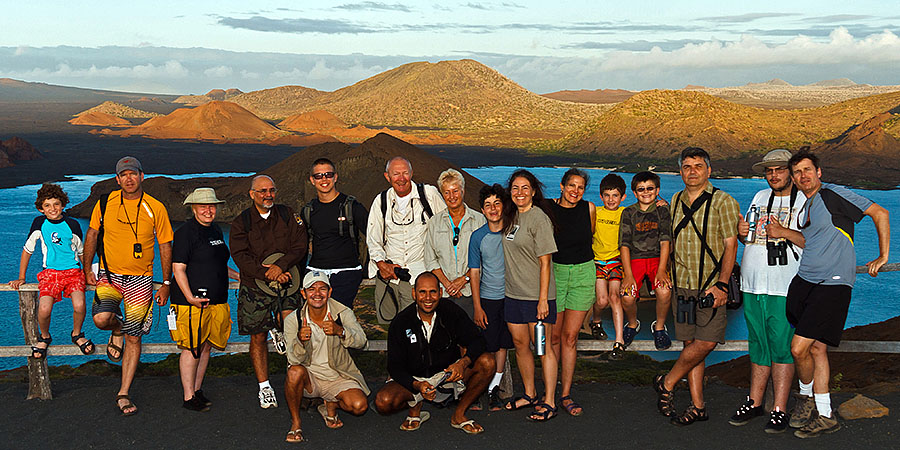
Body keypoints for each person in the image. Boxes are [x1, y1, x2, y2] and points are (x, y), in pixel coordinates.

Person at [786, 151, 890, 438]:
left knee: (798, 349)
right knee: (817, 349)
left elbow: (880, 213)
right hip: (805, 281)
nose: (802, 176)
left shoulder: (834, 195)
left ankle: (805, 398)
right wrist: (783, 231)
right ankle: (825, 415)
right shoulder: (806, 204)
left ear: (819, 172)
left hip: (832, 285)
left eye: (807, 170)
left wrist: (883, 255)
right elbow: (811, 242)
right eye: (797, 172)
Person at [82, 156, 174, 416]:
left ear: (142, 176)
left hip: (141, 280)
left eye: (133, 174)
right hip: (110, 276)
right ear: (117, 179)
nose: (129, 179)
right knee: (101, 319)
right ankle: (117, 329)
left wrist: (166, 282)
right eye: (124, 175)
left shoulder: (155, 207)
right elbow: (92, 234)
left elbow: (165, 244)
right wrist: (87, 267)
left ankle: (123, 393)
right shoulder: (105, 202)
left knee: (136, 337)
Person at [654, 147, 739, 426]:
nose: (692, 171)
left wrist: (723, 285)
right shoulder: (674, 202)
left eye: (698, 166)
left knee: (707, 341)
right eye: (687, 166)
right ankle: (698, 406)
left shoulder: (723, 201)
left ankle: (666, 382)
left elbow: (730, 245)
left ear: (708, 170)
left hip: (711, 286)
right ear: (680, 172)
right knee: (691, 344)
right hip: (683, 286)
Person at [728, 149, 807, 433]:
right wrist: (740, 230)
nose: (773, 175)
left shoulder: (805, 202)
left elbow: (813, 242)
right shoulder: (760, 197)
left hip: (784, 287)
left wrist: (784, 232)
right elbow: (748, 236)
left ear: (791, 171)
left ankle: (780, 408)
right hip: (752, 284)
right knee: (758, 345)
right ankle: (755, 400)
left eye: (779, 170)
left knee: (783, 348)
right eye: (769, 171)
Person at [375, 272, 494, 434]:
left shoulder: (451, 311)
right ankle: (415, 407)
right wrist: (416, 385)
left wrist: (463, 362)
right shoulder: (401, 322)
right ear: (414, 294)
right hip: (415, 379)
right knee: (383, 402)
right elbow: (394, 366)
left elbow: (478, 341)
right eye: (422, 292)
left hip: (446, 375)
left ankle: (459, 414)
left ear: (440, 292)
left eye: (432, 292)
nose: (428, 298)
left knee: (488, 362)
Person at [230, 174, 308, 409]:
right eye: (262, 191)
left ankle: (295, 383)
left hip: (288, 283)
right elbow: (240, 255)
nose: (268, 195)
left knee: (294, 331)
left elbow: (300, 245)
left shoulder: (288, 215)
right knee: (258, 336)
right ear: (252, 194)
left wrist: (280, 267)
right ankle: (264, 387)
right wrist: (267, 273)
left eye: (271, 190)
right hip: (256, 287)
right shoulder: (241, 222)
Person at [169, 188, 239, 412]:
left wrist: (239, 276)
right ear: (193, 208)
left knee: (206, 346)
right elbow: (178, 269)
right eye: (203, 206)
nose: (208, 210)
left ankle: (197, 390)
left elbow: (218, 264)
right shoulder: (185, 233)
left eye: (211, 206)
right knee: (192, 348)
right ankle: (188, 397)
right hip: (191, 303)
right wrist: (190, 297)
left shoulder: (216, 230)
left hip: (216, 300)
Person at [282, 271, 370, 443]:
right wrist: (300, 340)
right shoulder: (294, 320)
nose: (317, 294)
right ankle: (296, 423)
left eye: (322, 289)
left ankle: (330, 403)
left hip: (338, 375)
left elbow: (362, 342)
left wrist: (341, 331)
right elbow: (292, 360)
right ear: (303, 293)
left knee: (360, 406)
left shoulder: (342, 313)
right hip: (310, 378)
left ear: (329, 292)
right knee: (293, 373)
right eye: (311, 289)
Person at [500, 169, 559, 421]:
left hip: (538, 298)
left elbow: (546, 263)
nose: (520, 193)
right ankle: (530, 393)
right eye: (515, 188)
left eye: (525, 188)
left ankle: (549, 401)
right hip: (513, 295)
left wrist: (543, 300)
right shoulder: (510, 217)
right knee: (521, 345)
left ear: (534, 191)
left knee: (542, 348)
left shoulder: (539, 219)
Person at [9, 183, 93, 359]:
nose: (52, 209)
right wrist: (21, 277)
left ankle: (77, 334)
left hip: (73, 272)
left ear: (63, 204)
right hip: (50, 273)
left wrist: (87, 273)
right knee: (44, 309)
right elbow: (27, 250)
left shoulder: (73, 224)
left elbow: (81, 252)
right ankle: (45, 336)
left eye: (56, 204)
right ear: (41, 209)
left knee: (79, 305)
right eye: (47, 205)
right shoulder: (39, 224)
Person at [366, 157, 446, 324]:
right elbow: (373, 239)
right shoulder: (381, 201)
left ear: (411, 173)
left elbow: (445, 226)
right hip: (390, 277)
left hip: (420, 276)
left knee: (421, 326)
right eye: (396, 174)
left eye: (405, 173)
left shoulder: (429, 195)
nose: (401, 179)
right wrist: (382, 264)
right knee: (392, 327)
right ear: (387, 176)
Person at [547, 168, 596, 416]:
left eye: (580, 187)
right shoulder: (547, 208)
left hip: (583, 273)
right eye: (571, 186)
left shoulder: (589, 209)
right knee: (553, 337)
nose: (575, 191)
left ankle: (565, 394)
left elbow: (592, 235)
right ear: (562, 185)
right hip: (555, 274)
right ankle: (550, 391)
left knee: (570, 337)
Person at [469, 184, 515, 410]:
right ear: (482, 210)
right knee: (486, 346)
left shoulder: (513, 232)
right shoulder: (478, 237)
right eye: (488, 205)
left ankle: (494, 389)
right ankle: (478, 388)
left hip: (513, 297)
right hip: (488, 298)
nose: (493, 208)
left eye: (497, 203)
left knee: (503, 345)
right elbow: (474, 272)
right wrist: (477, 306)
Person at [301, 158, 369, 308]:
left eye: (328, 174)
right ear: (312, 180)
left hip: (347, 270)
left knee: (338, 316)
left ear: (335, 177)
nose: (324, 179)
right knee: (313, 317)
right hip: (316, 270)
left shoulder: (352, 207)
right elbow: (300, 245)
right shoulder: (308, 210)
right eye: (318, 176)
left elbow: (374, 237)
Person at [619, 171, 673, 352]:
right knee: (627, 296)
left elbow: (666, 240)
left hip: (658, 258)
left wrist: (662, 269)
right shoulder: (629, 213)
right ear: (635, 192)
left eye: (650, 188)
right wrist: (627, 275)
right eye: (641, 189)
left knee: (664, 292)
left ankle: (659, 327)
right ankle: (633, 324)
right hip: (635, 259)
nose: (646, 192)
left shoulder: (662, 211)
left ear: (657, 190)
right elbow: (624, 245)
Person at [425, 168, 486, 318]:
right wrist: (447, 284)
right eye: (446, 192)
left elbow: (484, 258)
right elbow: (430, 259)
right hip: (444, 294)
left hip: (471, 293)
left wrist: (464, 279)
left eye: (455, 191)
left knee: (469, 337)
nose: (451, 196)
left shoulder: (479, 221)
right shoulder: (434, 223)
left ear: (463, 191)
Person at [589, 174, 628, 359]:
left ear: (623, 197)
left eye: (615, 195)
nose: (611, 199)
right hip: (596, 261)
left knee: (614, 298)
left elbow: (645, 212)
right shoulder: (595, 211)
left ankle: (619, 341)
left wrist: (662, 206)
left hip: (615, 261)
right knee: (602, 301)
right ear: (601, 196)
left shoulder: (625, 213)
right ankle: (596, 321)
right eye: (607, 195)